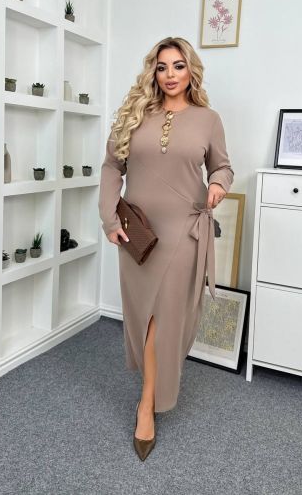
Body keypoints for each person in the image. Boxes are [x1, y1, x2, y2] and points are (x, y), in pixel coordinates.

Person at [98, 36, 234, 460]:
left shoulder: (208, 119)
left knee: (162, 319)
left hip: (183, 232)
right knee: (142, 316)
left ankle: (147, 405)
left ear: (191, 70)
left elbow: (222, 166)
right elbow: (111, 166)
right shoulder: (135, 113)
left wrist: (218, 184)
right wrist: (109, 218)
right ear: (153, 72)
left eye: (178, 66)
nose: (170, 74)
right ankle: (153, 386)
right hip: (138, 233)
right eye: (162, 67)